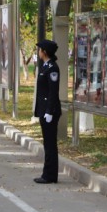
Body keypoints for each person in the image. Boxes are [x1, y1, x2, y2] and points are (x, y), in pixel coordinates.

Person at [34, 40, 61, 184]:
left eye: (39, 50)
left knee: (50, 144)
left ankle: (50, 175)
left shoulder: (52, 68)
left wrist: (50, 111)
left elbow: (52, 92)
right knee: (47, 144)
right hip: (44, 111)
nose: (38, 52)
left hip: (49, 112)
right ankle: (47, 173)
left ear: (44, 52)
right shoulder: (45, 66)